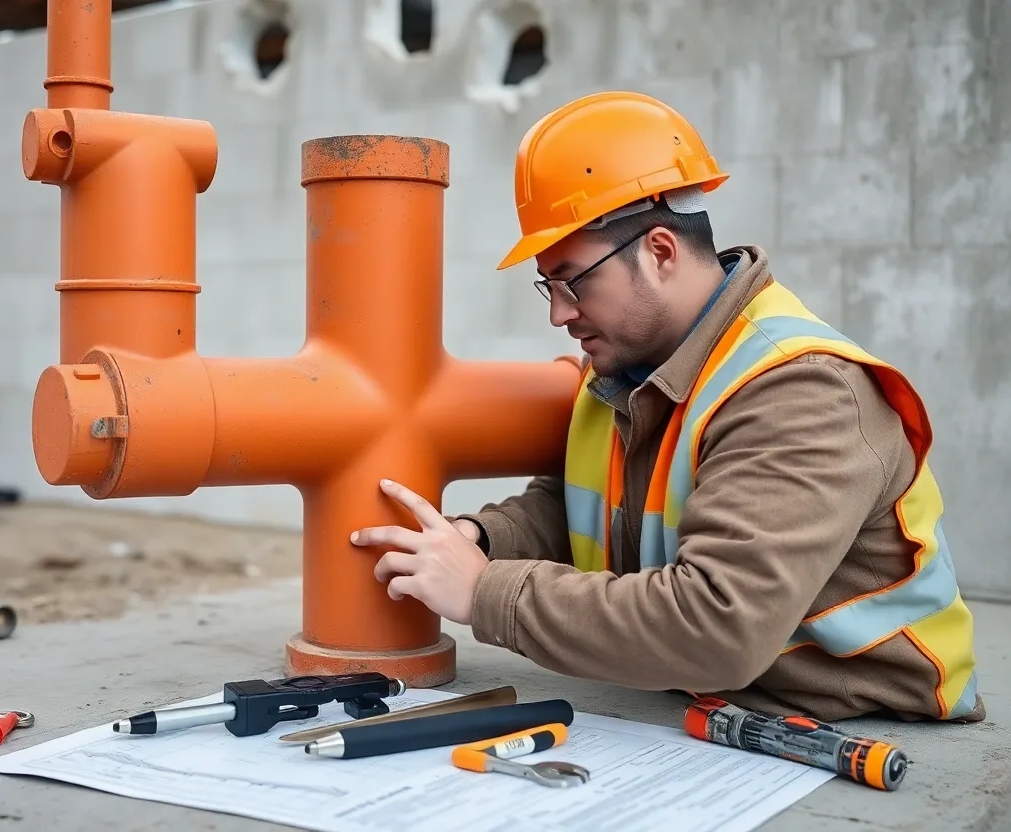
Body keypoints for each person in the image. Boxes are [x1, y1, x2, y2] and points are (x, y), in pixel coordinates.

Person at [350, 91, 985, 724]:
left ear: (660, 252)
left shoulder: (799, 389)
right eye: (548, 285)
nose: (558, 312)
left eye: (574, 281)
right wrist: (481, 540)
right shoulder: (629, 369)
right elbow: (577, 505)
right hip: (712, 705)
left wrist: (484, 592)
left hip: (856, 721)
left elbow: (718, 627)